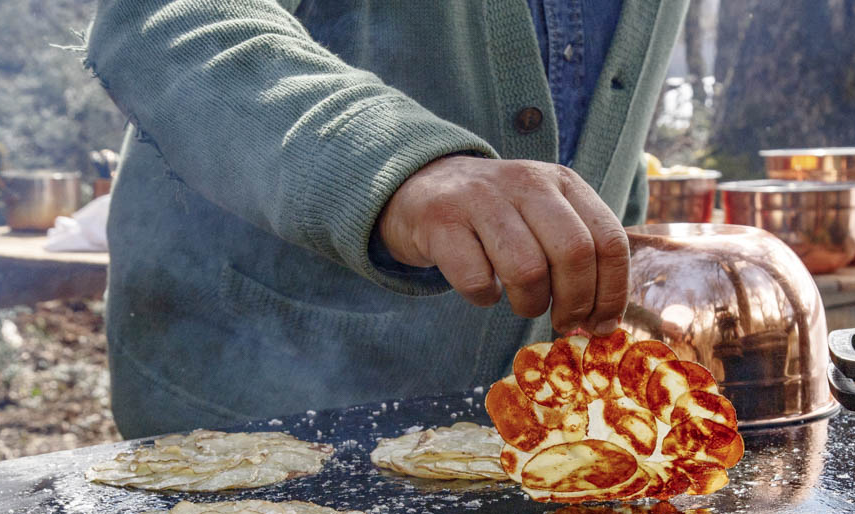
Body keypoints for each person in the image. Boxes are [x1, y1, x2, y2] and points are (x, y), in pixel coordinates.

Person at [85, 0, 688, 438]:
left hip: (524, 435)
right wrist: (401, 167)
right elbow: (159, 19)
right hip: (241, 416)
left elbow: (605, 109)